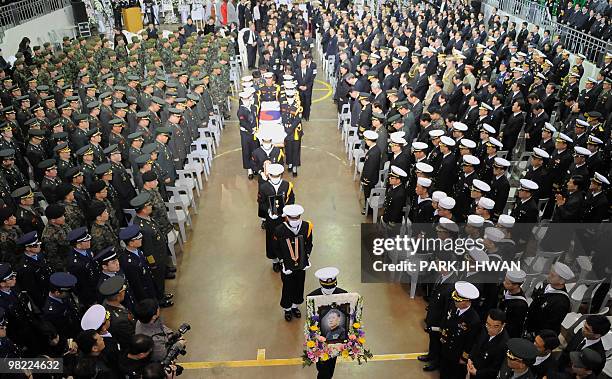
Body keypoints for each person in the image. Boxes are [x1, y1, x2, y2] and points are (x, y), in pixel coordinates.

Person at [273, 204, 312, 321]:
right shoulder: (279, 230)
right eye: (292, 218)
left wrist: (306, 258)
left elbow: (309, 243)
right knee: (287, 286)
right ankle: (287, 309)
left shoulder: (306, 227)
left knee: (300, 284)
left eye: (297, 217)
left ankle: (295, 306)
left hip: (301, 264)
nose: (294, 220)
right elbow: (276, 247)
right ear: (286, 217)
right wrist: (282, 261)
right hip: (287, 264)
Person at [307, 267, 347, 379]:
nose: (330, 290)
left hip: (337, 339)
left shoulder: (344, 295)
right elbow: (310, 320)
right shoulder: (312, 297)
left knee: (330, 365)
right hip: (320, 340)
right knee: (323, 366)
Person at [438, 281, 481, 379]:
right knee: (443, 371)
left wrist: (463, 358)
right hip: (446, 347)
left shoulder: (473, 320)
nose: (455, 302)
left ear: (467, 301)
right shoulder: (452, 306)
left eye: (458, 300)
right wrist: (442, 336)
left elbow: (470, 342)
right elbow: (446, 320)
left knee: (454, 374)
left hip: (457, 354)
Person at [258, 163, 295, 272]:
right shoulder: (263, 187)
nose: (275, 178)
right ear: (269, 175)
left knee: (284, 238)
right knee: (271, 239)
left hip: (284, 219)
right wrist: (269, 211)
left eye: (277, 176)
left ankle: (284, 259)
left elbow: (292, 199)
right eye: (273, 176)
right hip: (271, 220)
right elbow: (261, 203)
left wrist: (287, 211)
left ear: (281, 175)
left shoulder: (287, 185)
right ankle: (275, 261)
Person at [525, 262, 574, 337]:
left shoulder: (561, 303)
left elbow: (550, 325)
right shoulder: (548, 285)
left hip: (538, 334)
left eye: (552, 275)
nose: (548, 276)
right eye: (549, 273)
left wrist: (534, 334)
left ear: (562, 281)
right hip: (530, 323)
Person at [466, 309, 509, 379]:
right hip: (472, 368)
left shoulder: (504, 344)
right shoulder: (484, 328)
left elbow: (495, 369)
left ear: (503, 325)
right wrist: (470, 358)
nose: (490, 329)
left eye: (496, 326)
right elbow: (476, 344)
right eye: (488, 324)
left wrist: (477, 373)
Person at [360, 130, 381, 215]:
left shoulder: (373, 153)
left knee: (368, 194)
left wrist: (365, 179)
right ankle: (367, 206)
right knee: (367, 194)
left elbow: (370, 168)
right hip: (371, 177)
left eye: (366, 140)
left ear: (370, 141)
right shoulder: (375, 149)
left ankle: (369, 210)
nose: (366, 141)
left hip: (369, 179)